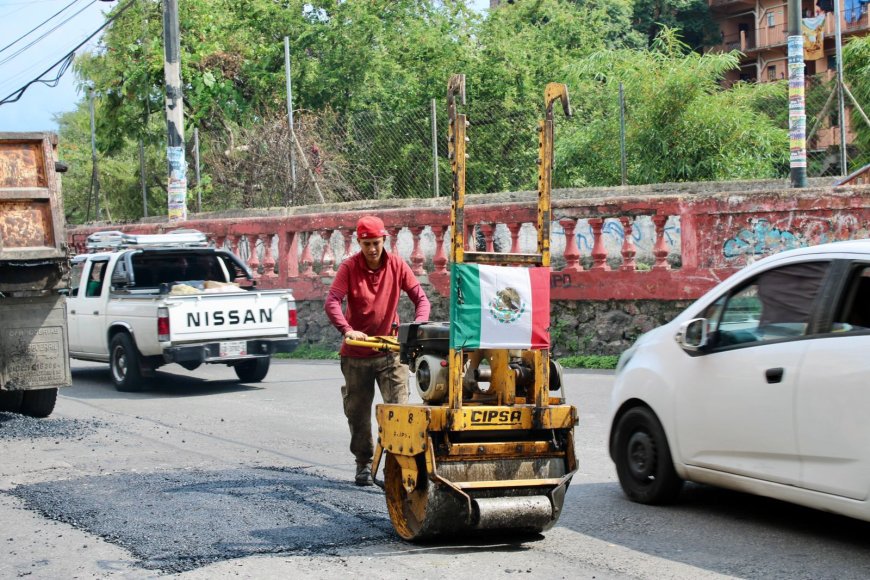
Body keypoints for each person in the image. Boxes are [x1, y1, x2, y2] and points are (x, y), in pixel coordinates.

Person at [324, 215, 431, 486]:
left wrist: (417, 326)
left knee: (399, 411)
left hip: (390, 352)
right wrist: (348, 330)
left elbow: (421, 298)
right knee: (357, 413)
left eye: (376, 242)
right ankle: (363, 463)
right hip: (356, 353)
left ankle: (396, 467)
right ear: (359, 242)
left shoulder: (396, 264)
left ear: (385, 240)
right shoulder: (349, 267)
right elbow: (332, 302)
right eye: (366, 243)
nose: (372, 249)